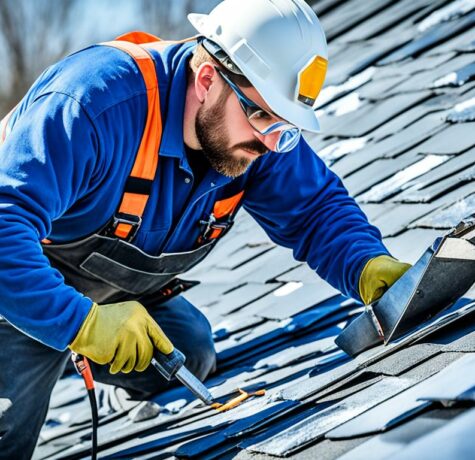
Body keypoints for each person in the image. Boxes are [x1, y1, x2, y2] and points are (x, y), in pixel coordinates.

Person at [0, 0, 411, 456]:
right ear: (207, 79)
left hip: (107, 292)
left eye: (286, 128)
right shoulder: (94, 103)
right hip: (15, 282)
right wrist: (79, 323)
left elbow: (314, 209)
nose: (270, 142)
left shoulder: (256, 134)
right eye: (261, 116)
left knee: (188, 352)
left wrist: (368, 265)